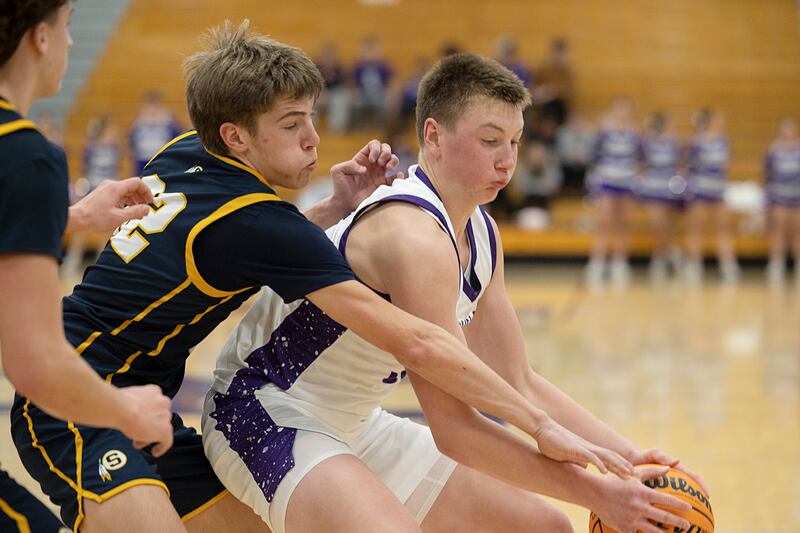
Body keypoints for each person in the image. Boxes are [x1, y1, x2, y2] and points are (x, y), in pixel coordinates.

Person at [11, 21, 626, 533]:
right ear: (235, 136)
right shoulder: (265, 220)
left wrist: (332, 210)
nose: (313, 139)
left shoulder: (188, 151)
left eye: (310, 117)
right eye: (291, 125)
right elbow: (415, 341)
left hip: (148, 400)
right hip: (74, 394)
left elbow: (237, 241)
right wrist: (541, 428)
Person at [203, 53, 703, 533]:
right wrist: (599, 494)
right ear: (433, 136)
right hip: (261, 409)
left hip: (354, 422)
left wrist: (630, 459)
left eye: (515, 141)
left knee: (544, 526)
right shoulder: (412, 236)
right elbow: (456, 429)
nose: (507, 160)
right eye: (490, 141)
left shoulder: (483, 232)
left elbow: (518, 380)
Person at [0, 0, 173, 529]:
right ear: (40, 37)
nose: (72, 42)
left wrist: (72, 217)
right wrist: (129, 411)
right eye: (68, 26)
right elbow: (35, 364)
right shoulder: (27, 155)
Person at [585, 97, 642, 286]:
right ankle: (597, 263)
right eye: (619, 110)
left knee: (623, 223)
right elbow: (593, 154)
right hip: (607, 181)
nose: (622, 114)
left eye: (626, 111)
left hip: (627, 182)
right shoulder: (604, 132)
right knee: (604, 222)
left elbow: (640, 157)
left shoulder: (635, 134)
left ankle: (619, 263)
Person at [684, 108, 739, 284]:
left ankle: (728, 266)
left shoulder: (724, 141)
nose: (721, 122)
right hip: (699, 190)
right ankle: (694, 265)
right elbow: (688, 165)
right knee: (696, 228)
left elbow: (726, 166)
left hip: (718, 191)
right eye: (718, 119)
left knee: (723, 228)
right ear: (709, 121)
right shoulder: (696, 141)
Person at [637, 112, 686, 282]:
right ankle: (669, 254)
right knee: (657, 222)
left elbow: (682, 164)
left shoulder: (674, 142)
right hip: (653, 187)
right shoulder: (648, 142)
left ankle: (662, 256)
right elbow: (641, 162)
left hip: (669, 188)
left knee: (666, 224)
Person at [764, 116, 800, 285]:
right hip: (779, 198)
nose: (789, 131)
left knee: (797, 232)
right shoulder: (773, 150)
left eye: (791, 128)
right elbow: (767, 177)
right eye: (785, 128)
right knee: (778, 231)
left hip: (797, 198)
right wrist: (768, 202)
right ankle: (776, 265)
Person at [129, 90, 182, 175]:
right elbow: (132, 141)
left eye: (155, 106)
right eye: (149, 106)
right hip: (142, 160)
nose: (152, 110)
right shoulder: (139, 123)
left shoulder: (168, 121)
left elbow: (177, 138)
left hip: (161, 159)